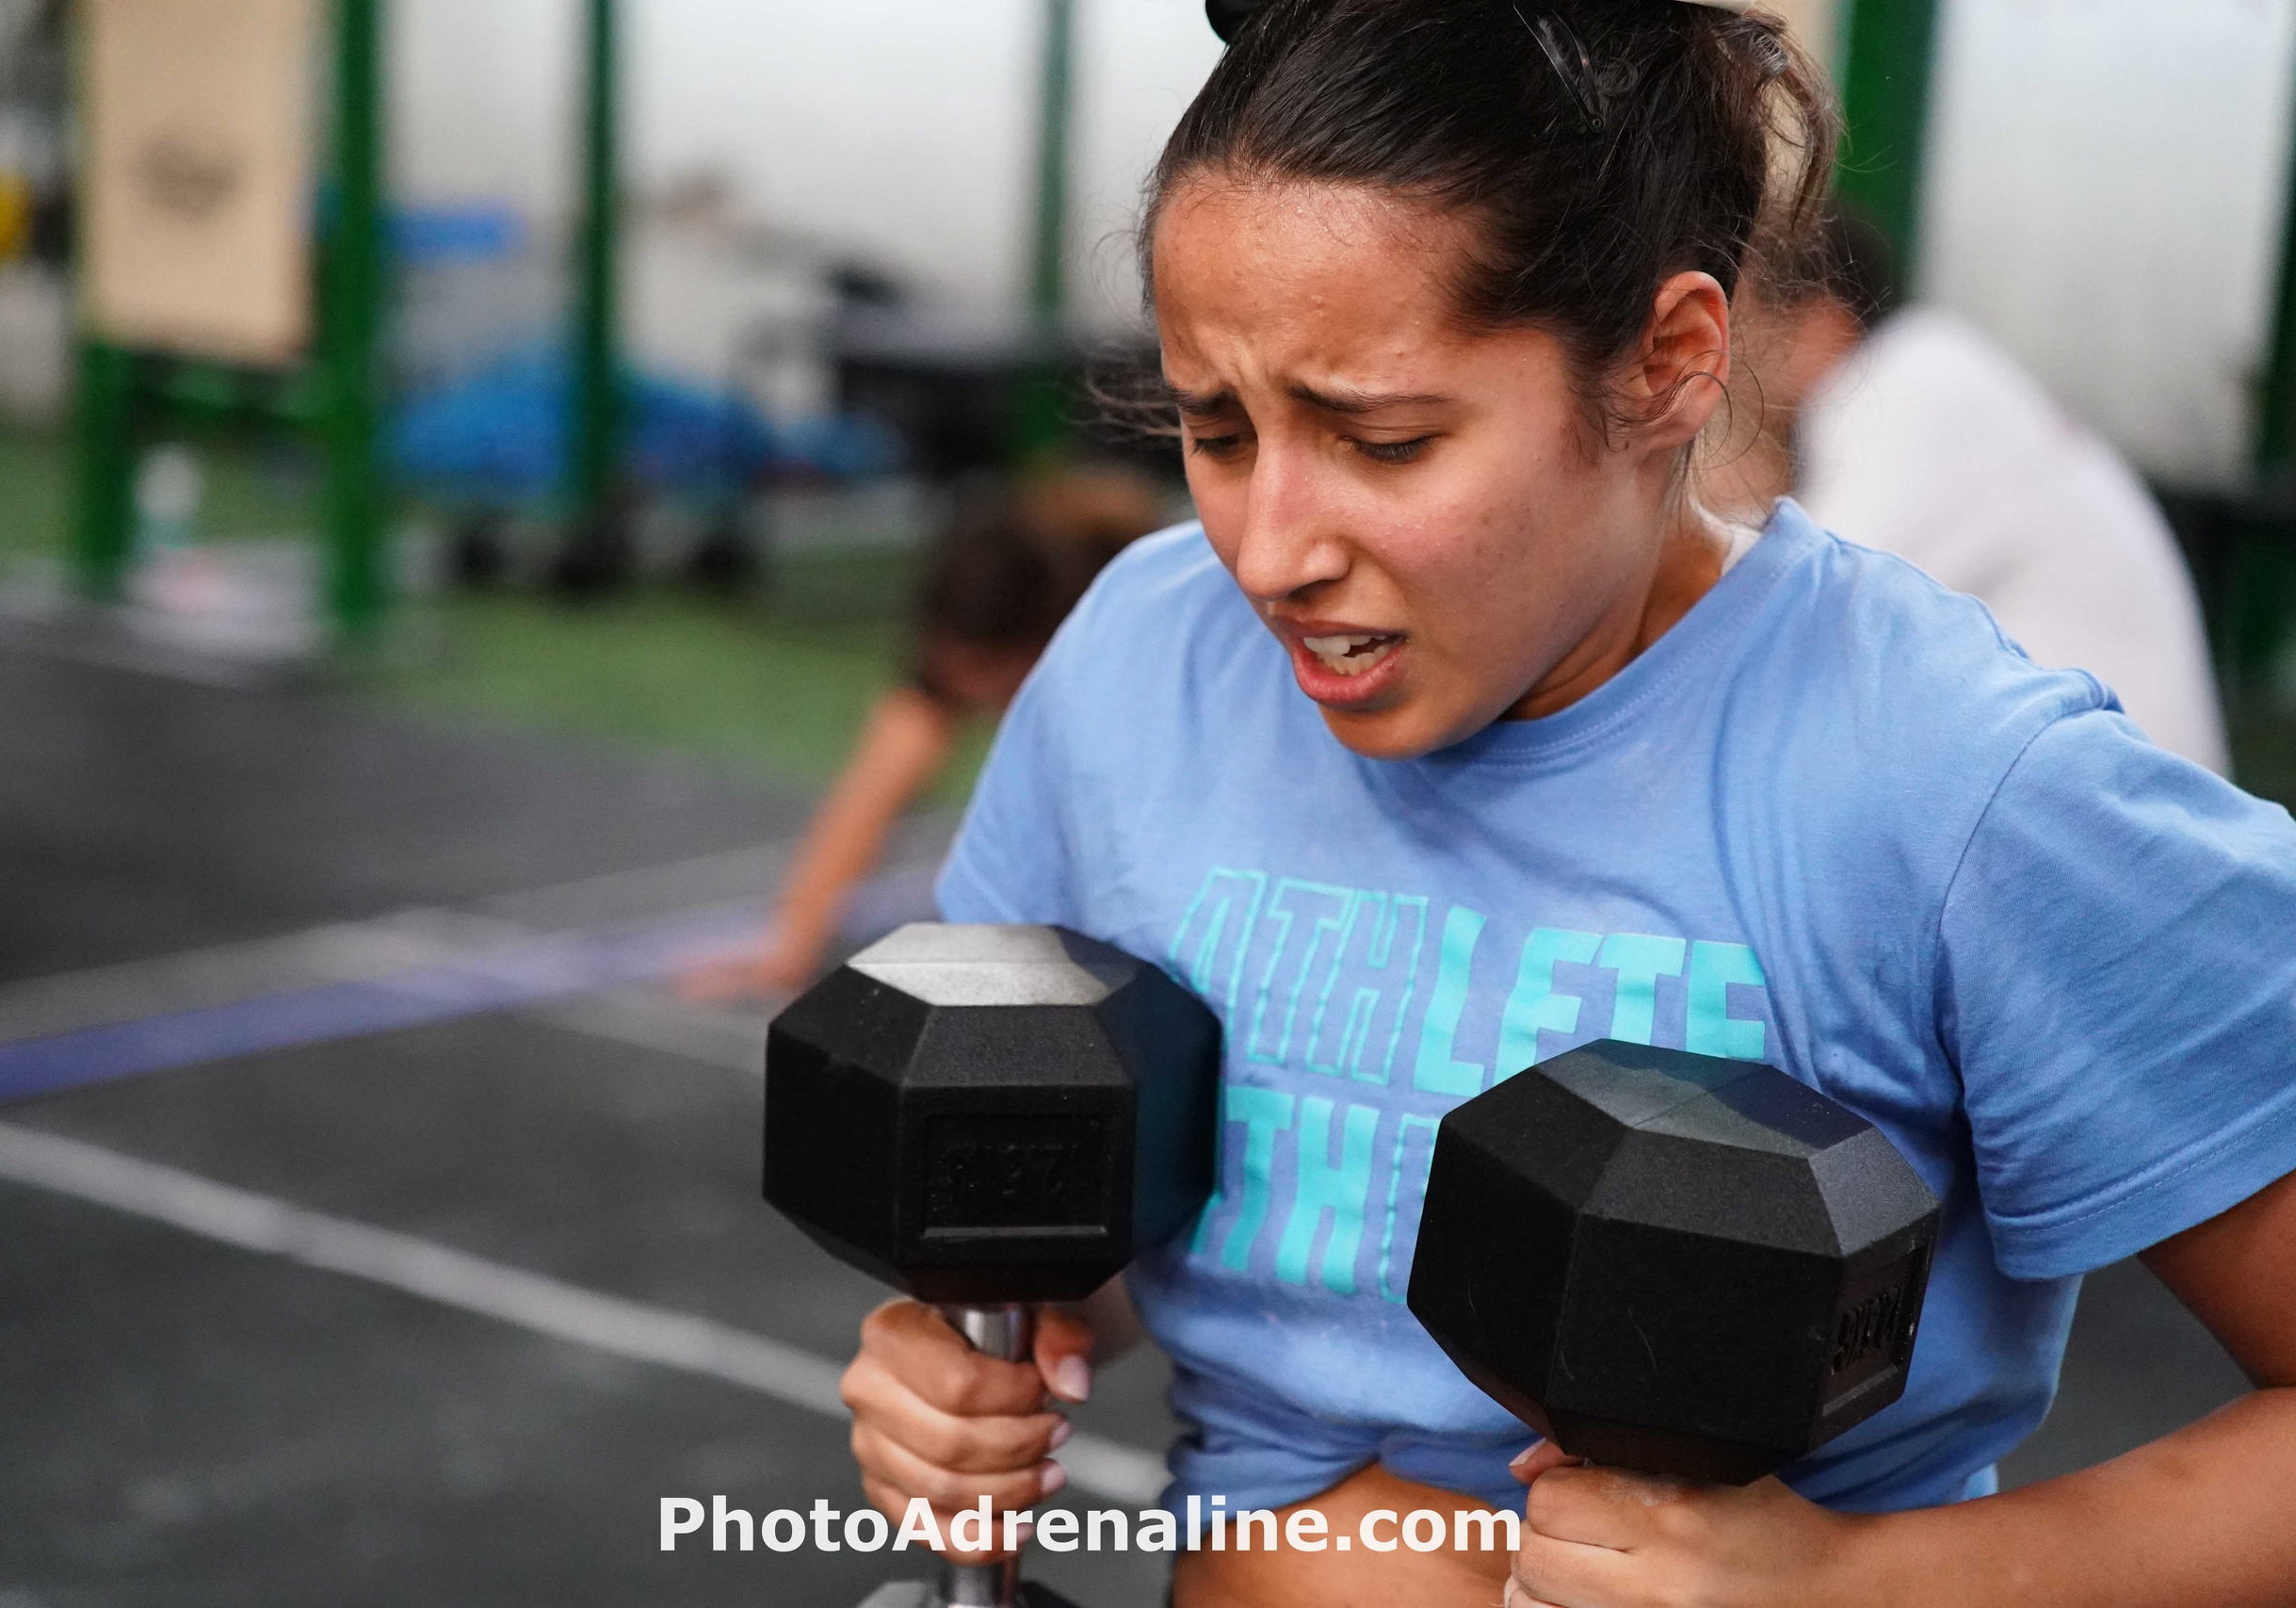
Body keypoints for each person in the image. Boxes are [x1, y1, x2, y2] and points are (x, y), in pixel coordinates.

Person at [833, 3, 2296, 1606]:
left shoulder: (1950, 783)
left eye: (1384, 439)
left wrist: (1854, 1584)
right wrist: (984, 1353)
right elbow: (1119, 1219)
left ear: (1668, 363)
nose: (1270, 549)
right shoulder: (1139, 654)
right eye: (1216, 427)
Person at [1706, 205, 2230, 771]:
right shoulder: (1929, 369)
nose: (1732, 361)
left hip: (2108, 785)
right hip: (2085, 766)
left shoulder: (1913, 383)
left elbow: (1798, 599)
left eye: (1745, 324)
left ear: (1824, 320)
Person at [681, 469, 1162, 999]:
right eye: (958, 672)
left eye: (988, 673)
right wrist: (791, 946)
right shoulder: (970, 620)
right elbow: (874, 788)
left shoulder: (1128, 632)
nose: (974, 695)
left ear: (1042, 642)